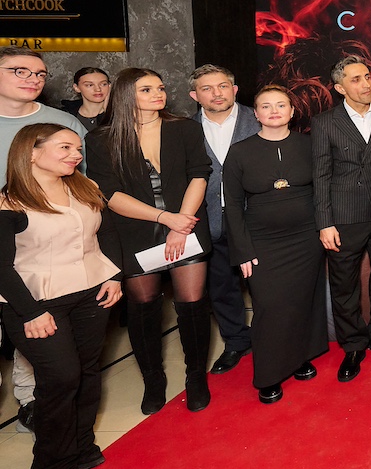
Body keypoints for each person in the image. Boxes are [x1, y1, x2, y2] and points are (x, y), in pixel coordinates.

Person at [0, 125, 120, 469]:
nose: (75, 155)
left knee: (86, 371)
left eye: (78, 149)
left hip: (91, 292)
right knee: (62, 378)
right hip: (36, 303)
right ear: (31, 153)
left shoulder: (84, 188)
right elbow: (1, 266)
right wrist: (30, 313)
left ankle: (82, 448)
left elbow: (107, 233)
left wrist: (114, 274)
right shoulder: (10, 202)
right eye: (65, 148)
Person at [85, 68, 214, 415]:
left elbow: (199, 175)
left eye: (160, 87)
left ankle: (196, 377)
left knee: (192, 304)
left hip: (186, 224)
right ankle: (153, 379)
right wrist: (164, 219)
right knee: (142, 306)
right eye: (146, 89)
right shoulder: (101, 139)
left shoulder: (184, 128)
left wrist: (180, 224)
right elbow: (110, 194)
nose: (158, 94)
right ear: (126, 95)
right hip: (136, 231)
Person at [222, 86, 329, 404]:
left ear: (292, 111)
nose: (274, 111)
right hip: (262, 242)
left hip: (306, 240)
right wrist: (242, 250)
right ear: (255, 113)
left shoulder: (309, 145)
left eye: (280, 105)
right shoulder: (239, 152)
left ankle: (300, 358)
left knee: (302, 301)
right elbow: (232, 206)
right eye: (266, 106)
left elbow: (323, 190)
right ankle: (268, 374)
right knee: (270, 307)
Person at [0, 47, 86, 436]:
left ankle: (30, 403)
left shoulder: (63, 123)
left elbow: (83, 185)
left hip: (40, 251)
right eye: (20, 70)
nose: (33, 79)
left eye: (39, 73)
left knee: (33, 331)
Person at [310, 55, 371, 382]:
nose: (365, 85)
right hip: (344, 215)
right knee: (344, 283)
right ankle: (353, 345)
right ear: (339, 88)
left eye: (367, 77)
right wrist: (325, 222)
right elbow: (320, 175)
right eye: (355, 80)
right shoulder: (325, 122)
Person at [189, 64, 256, 376]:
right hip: (209, 221)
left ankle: (273, 339)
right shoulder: (183, 129)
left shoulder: (260, 119)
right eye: (207, 88)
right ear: (195, 96)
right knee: (221, 287)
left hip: (256, 221)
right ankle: (236, 341)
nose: (217, 93)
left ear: (235, 90)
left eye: (223, 86)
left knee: (266, 286)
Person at [59, 67, 111, 133]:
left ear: (109, 86)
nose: (98, 89)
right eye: (89, 85)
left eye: (103, 84)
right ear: (76, 88)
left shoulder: (119, 114)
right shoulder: (65, 115)